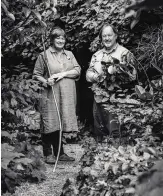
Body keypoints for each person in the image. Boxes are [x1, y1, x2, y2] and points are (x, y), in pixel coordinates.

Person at [33, 27, 81, 164]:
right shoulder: (44, 55)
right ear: (52, 40)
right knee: (50, 121)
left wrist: (63, 74)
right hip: (50, 93)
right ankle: (48, 153)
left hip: (65, 96)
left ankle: (60, 153)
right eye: (57, 38)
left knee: (61, 121)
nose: (61, 40)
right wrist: (46, 81)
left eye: (63, 38)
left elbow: (77, 70)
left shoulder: (69, 54)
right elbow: (36, 75)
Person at [86, 24, 137, 142]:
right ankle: (99, 159)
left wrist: (117, 74)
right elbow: (88, 74)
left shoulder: (125, 53)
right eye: (104, 36)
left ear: (116, 36)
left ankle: (115, 159)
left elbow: (133, 76)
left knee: (116, 133)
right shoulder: (97, 55)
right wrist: (97, 77)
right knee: (99, 131)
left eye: (109, 35)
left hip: (117, 100)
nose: (107, 38)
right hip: (99, 99)